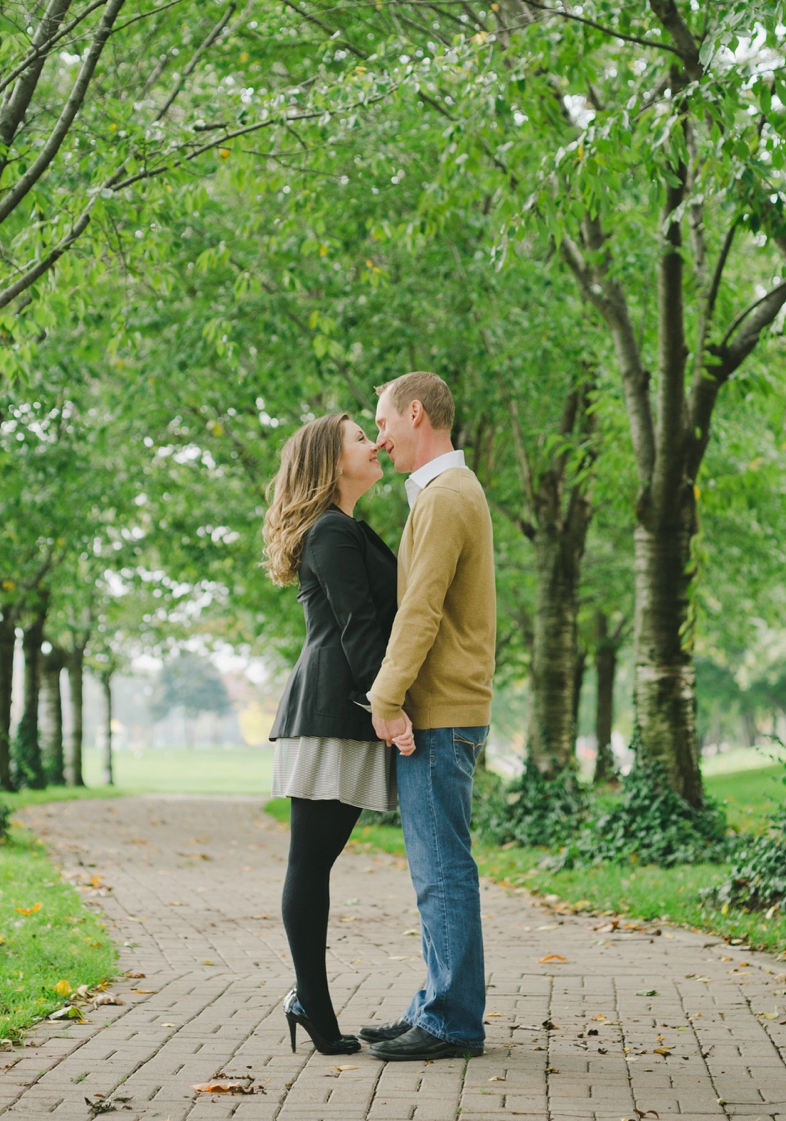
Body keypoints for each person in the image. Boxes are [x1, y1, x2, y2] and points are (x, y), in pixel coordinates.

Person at [356, 371, 495, 1062]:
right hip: (447, 709)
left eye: (382, 423)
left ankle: (450, 1020)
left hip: (440, 712)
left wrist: (384, 698)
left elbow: (421, 610)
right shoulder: (447, 493)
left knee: (442, 870)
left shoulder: (444, 497)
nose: (379, 438)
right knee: (438, 868)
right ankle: (438, 1001)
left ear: (416, 414)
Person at [262, 411, 401, 1055]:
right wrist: (387, 702)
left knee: (317, 863)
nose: (373, 444)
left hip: (343, 710)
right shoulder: (331, 533)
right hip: (331, 712)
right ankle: (311, 1003)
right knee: (311, 863)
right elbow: (358, 626)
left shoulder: (344, 528)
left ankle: (307, 1000)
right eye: (358, 438)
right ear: (329, 460)